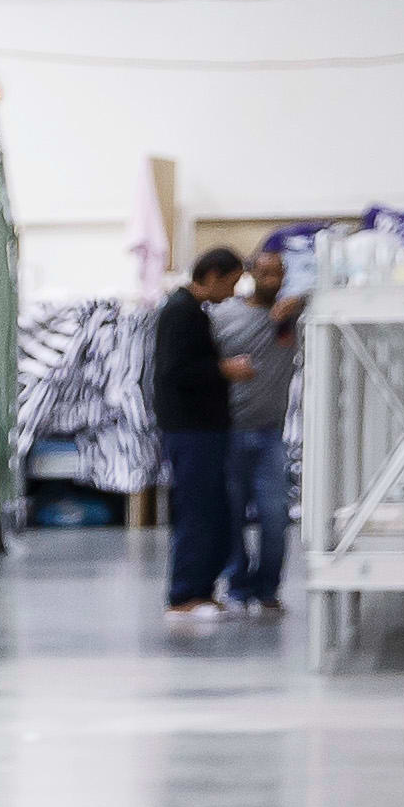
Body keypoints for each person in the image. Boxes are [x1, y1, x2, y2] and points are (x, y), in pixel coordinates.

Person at [148, 249, 242, 623]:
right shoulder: (180, 313)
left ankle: (201, 590)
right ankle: (183, 594)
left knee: (210, 510)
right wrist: (223, 369)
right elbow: (175, 371)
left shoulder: (192, 312)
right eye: (231, 283)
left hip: (204, 429)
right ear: (213, 275)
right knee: (196, 511)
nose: (232, 293)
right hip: (192, 430)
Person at [213, 249, 306, 615]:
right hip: (230, 432)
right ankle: (238, 586)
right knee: (231, 516)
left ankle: (267, 589)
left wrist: (301, 299)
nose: (273, 280)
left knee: (275, 516)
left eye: (279, 273)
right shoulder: (223, 316)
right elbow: (202, 363)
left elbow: (333, 293)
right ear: (250, 274)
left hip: (271, 435)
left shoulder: (291, 317)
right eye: (266, 273)